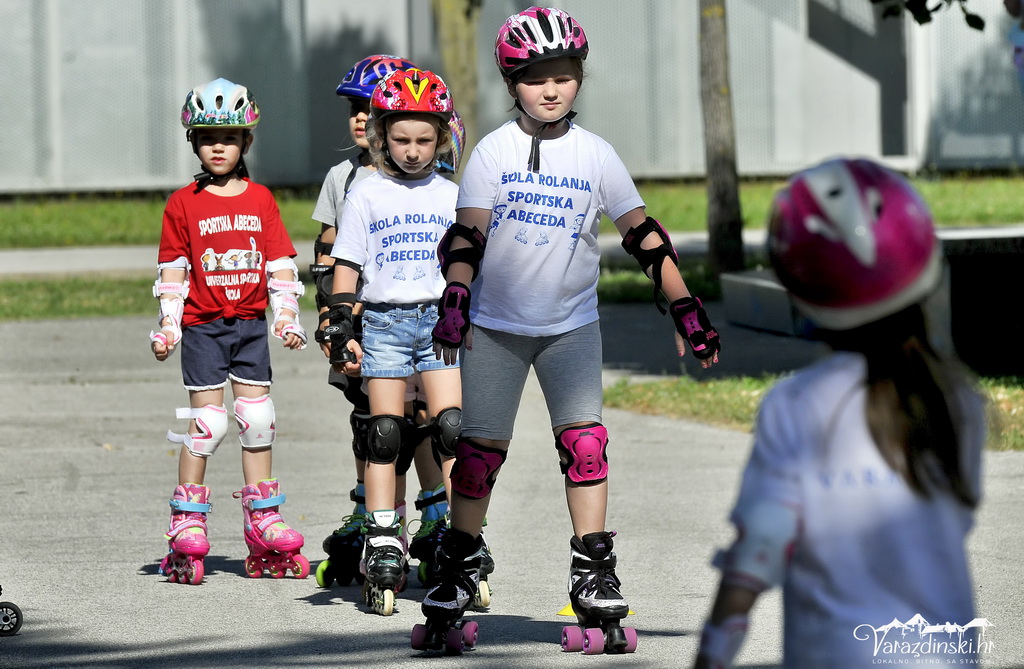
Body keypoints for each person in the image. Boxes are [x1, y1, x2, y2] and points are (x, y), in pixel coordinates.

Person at [414, 6, 721, 655]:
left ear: (579, 75)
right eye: (535, 77)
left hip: (571, 328)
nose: (551, 88)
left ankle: (593, 568)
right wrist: (457, 295)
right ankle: (458, 564)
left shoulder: (595, 154)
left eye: (563, 74)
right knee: (477, 454)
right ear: (511, 81)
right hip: (496, 329)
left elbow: (642, 234)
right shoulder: (493, 152)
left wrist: (685, 306)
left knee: (586, 446)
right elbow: (467, 234)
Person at [693, 158, 986, 669]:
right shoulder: (959, 401)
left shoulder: (796, 405)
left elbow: (758, 552)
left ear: (801, 288)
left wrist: (712, 653)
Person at [150, 78, 309, 585]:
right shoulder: (182, 204)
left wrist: (286, 317)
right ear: (194, 141)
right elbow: (174, 269)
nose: (218, 145)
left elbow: (280, 262)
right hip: (202, 327)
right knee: (208, 425)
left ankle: (263, 517)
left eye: (230, 136)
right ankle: (187, 524)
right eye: (207, 136)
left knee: (258, 419)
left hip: (248, 327)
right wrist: (168, 326)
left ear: (247, 141)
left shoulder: (262, 199)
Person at [323, 67, 463, 616]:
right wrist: (339, 326)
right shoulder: (365, 193)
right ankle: (384, 538)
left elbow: (468, 263)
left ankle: (456, 533)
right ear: (382, 136)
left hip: (438, 321)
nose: (411, 150)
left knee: (450, 429)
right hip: (382, 320)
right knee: (385, 434)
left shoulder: (453, 193)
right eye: (400, 139)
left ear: (441, 138)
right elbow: (347, 266)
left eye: (424, 140)